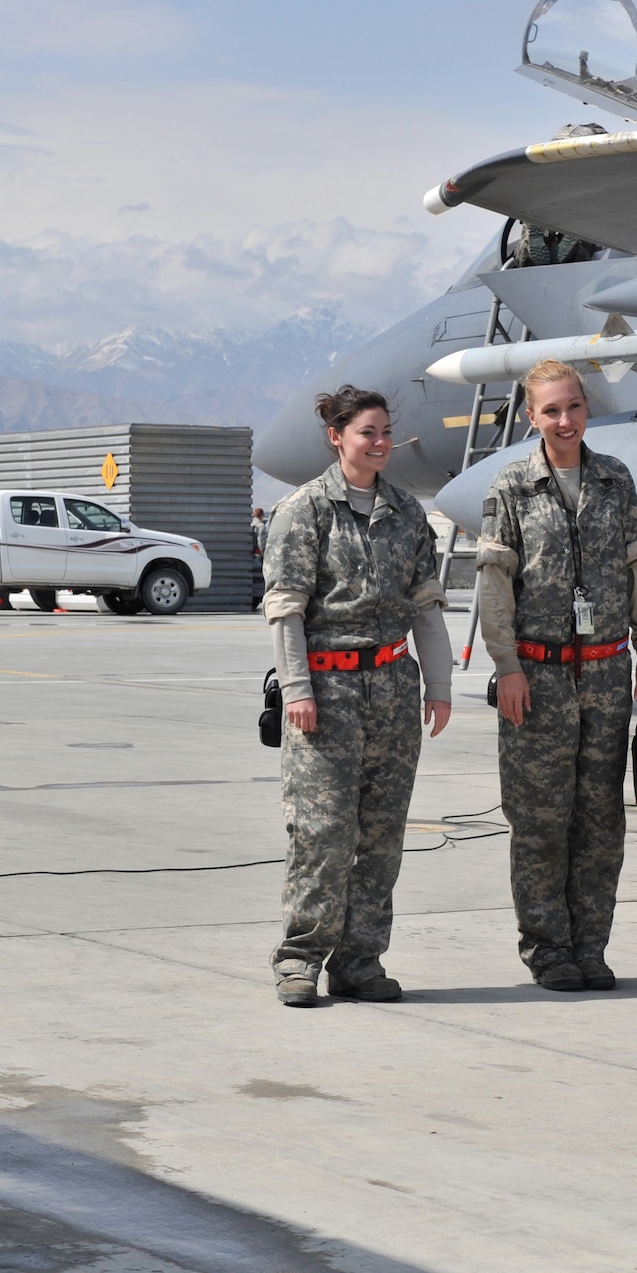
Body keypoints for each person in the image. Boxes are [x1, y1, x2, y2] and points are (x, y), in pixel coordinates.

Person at [261, 386, 454, 1007]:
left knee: (381, 832)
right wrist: (297, 689)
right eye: (366, 432)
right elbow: (286, 611)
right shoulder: (305, 511)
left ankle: (360, 960)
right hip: (326, 687)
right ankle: (299, 960)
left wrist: (440, 687)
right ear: (336, 436)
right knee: (322, 831)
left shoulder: (406, 512)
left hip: (393, 687)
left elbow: (426, 607)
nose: (378, 443)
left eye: (384, 432)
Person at [475, 360, 637, 991]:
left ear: (587, 409)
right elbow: (495, 584)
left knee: (601, 818)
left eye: (573, 407)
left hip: (607, 672)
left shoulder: (615, 479)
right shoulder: (512, 487)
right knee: (539, 819)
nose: (564, 420)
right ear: (532, 417)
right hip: (540, 673)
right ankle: (549, 949)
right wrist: (507, 669)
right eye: (550, 410)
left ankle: (592, 945)